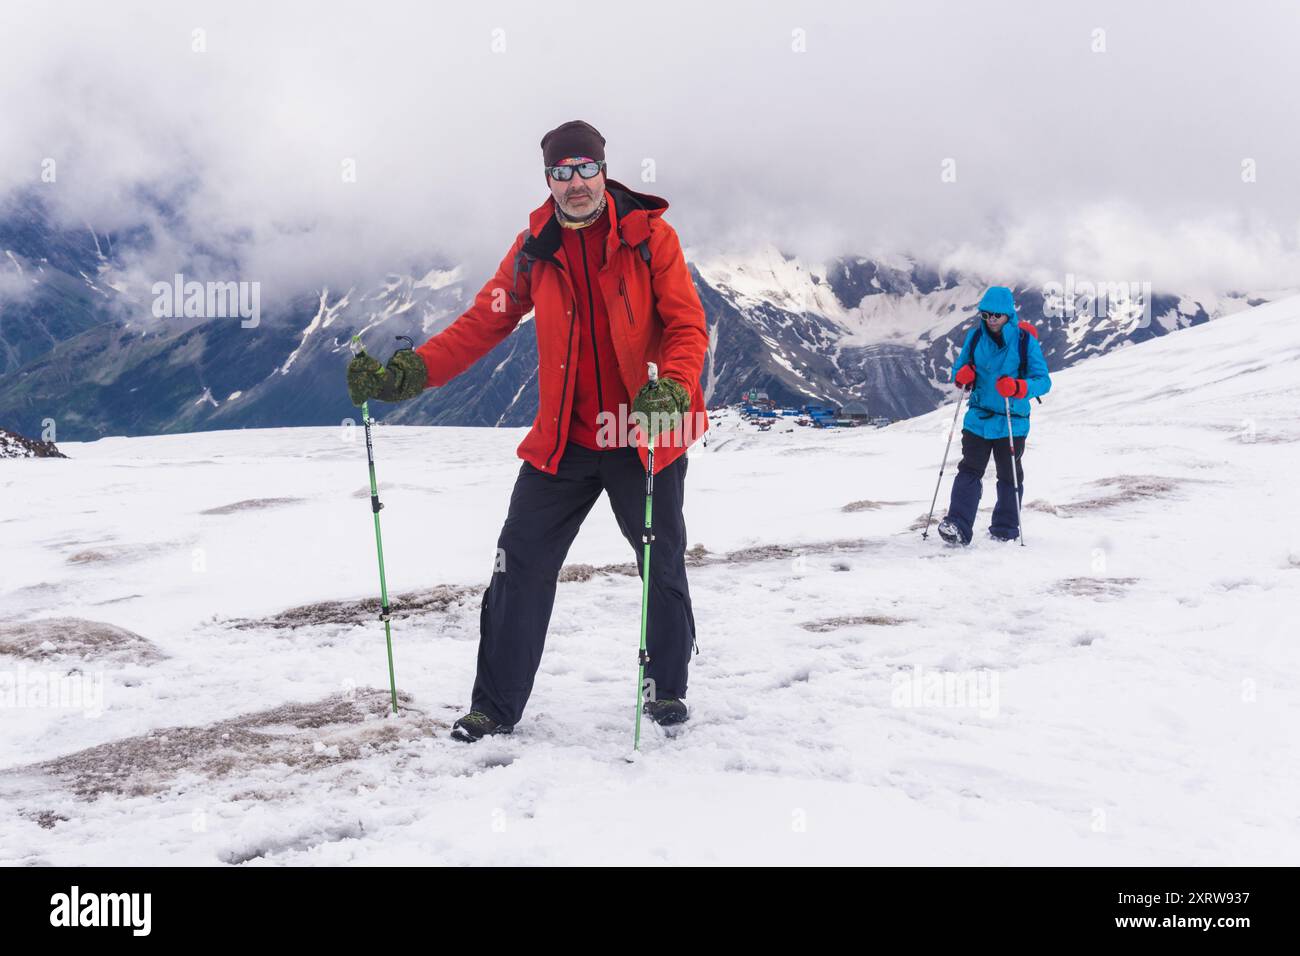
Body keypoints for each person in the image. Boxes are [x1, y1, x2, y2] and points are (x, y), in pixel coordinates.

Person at [346, 120, 710, 741]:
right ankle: (494, 707)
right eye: (561, 173)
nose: (575, 183)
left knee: (660, 563)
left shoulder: (652, 239)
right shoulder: (533, 249)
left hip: (641, 429)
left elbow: (686, 325)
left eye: (584, 169)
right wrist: (412, 374)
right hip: (563, 442)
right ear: (548, 180)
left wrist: (673, 387)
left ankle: (664, 690)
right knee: (518, 564)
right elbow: (481, 323)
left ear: (604, 171)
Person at [937, 286, 1051, 546]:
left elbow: (1043, 381)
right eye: (986, 314)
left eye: (996, 315)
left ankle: (1006, 528)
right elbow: (960, 368)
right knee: (969, 470)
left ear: (1008, 314)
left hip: (1013, 419)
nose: (991, 320)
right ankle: (958, 525)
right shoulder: (976, 337)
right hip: (978, 417)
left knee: (1009, 475)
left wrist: (1019, 388)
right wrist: (961, 375)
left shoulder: (1024, 341)